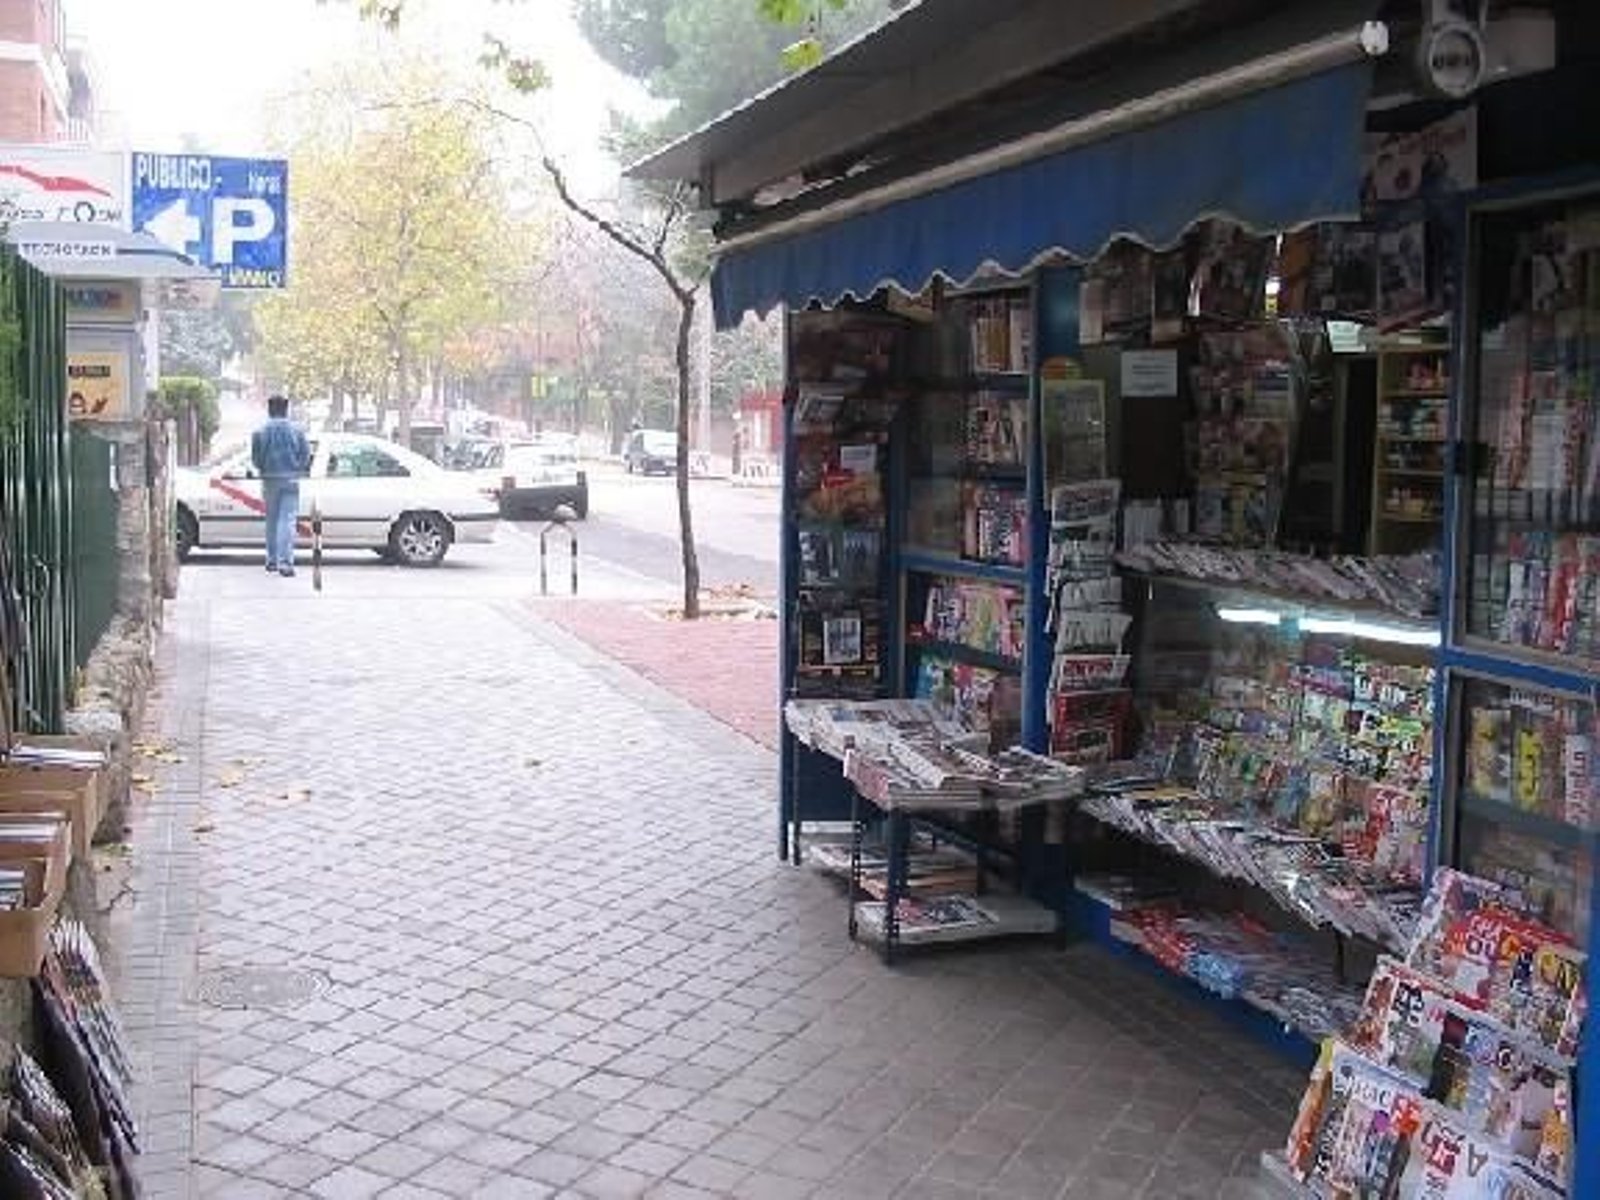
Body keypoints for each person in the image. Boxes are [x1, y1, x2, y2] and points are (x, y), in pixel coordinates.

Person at [251, 395, 311, 577]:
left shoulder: (259, 432)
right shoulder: (298, 431)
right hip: (291, 479)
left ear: (269, 409)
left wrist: (264, 468)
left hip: (269, 479)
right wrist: (297, 469)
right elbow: (306, 455)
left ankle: (272, 560)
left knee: (272, 520)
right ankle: (285, 563)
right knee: (287, 520)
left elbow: (256, 459)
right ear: (286, 409)